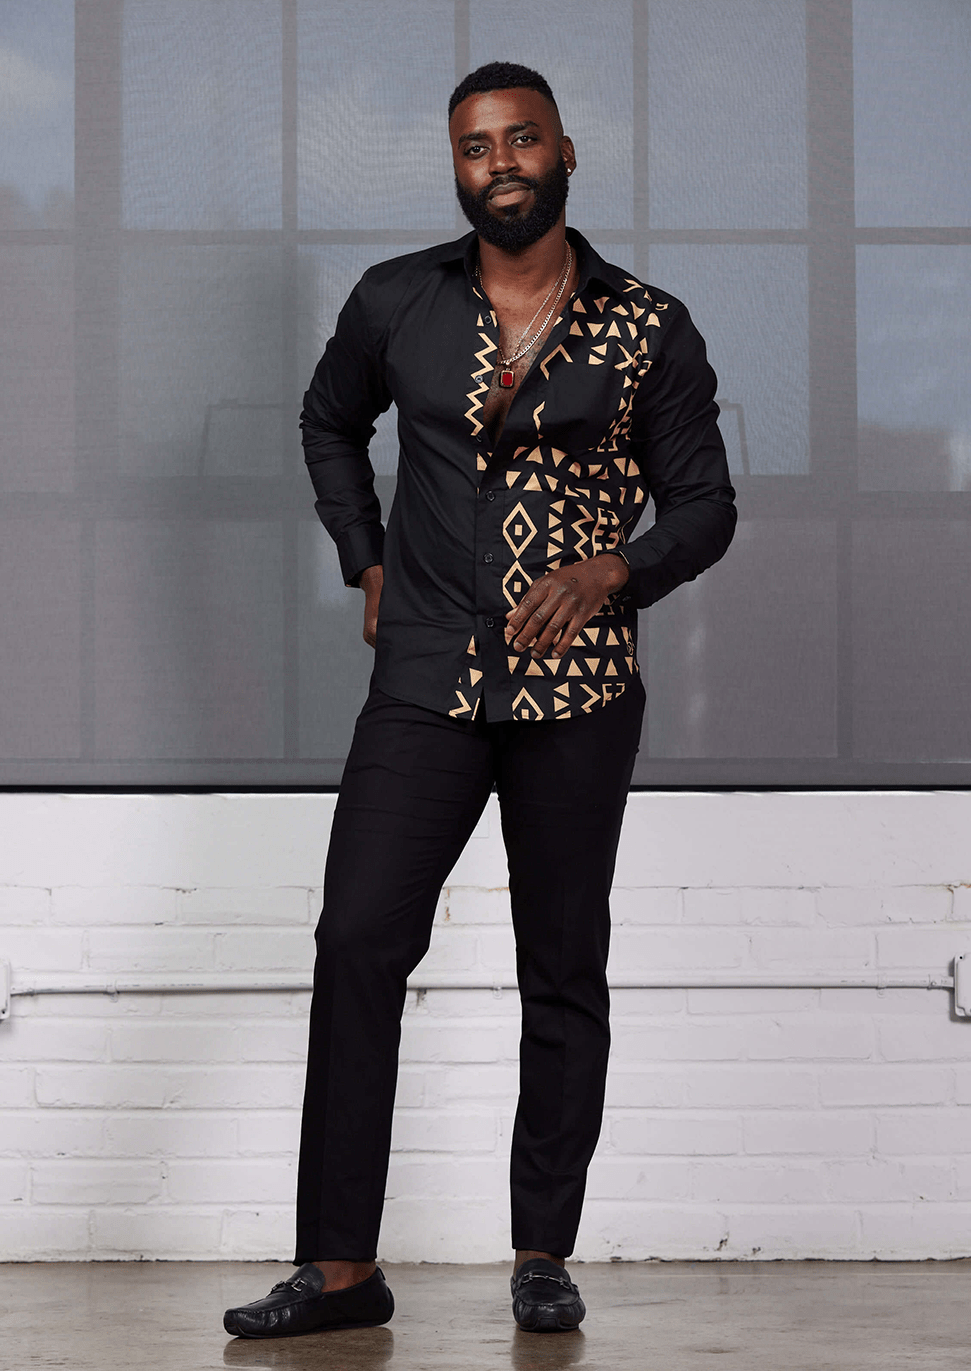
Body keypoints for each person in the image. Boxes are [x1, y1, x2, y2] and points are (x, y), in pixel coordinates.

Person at [224, 60, 736, 1340]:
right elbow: (327, 421)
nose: (499, 162)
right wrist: (364, 556)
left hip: (577, 691)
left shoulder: (648, 327)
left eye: (520, 139)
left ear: (564, 152)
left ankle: (540, 1254)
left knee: (559, 966)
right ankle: (340, 1270)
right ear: (455, 169)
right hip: (425, 680)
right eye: (474, 146)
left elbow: (705, 506)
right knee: (356, 941)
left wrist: (613, 571)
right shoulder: (396, 299)